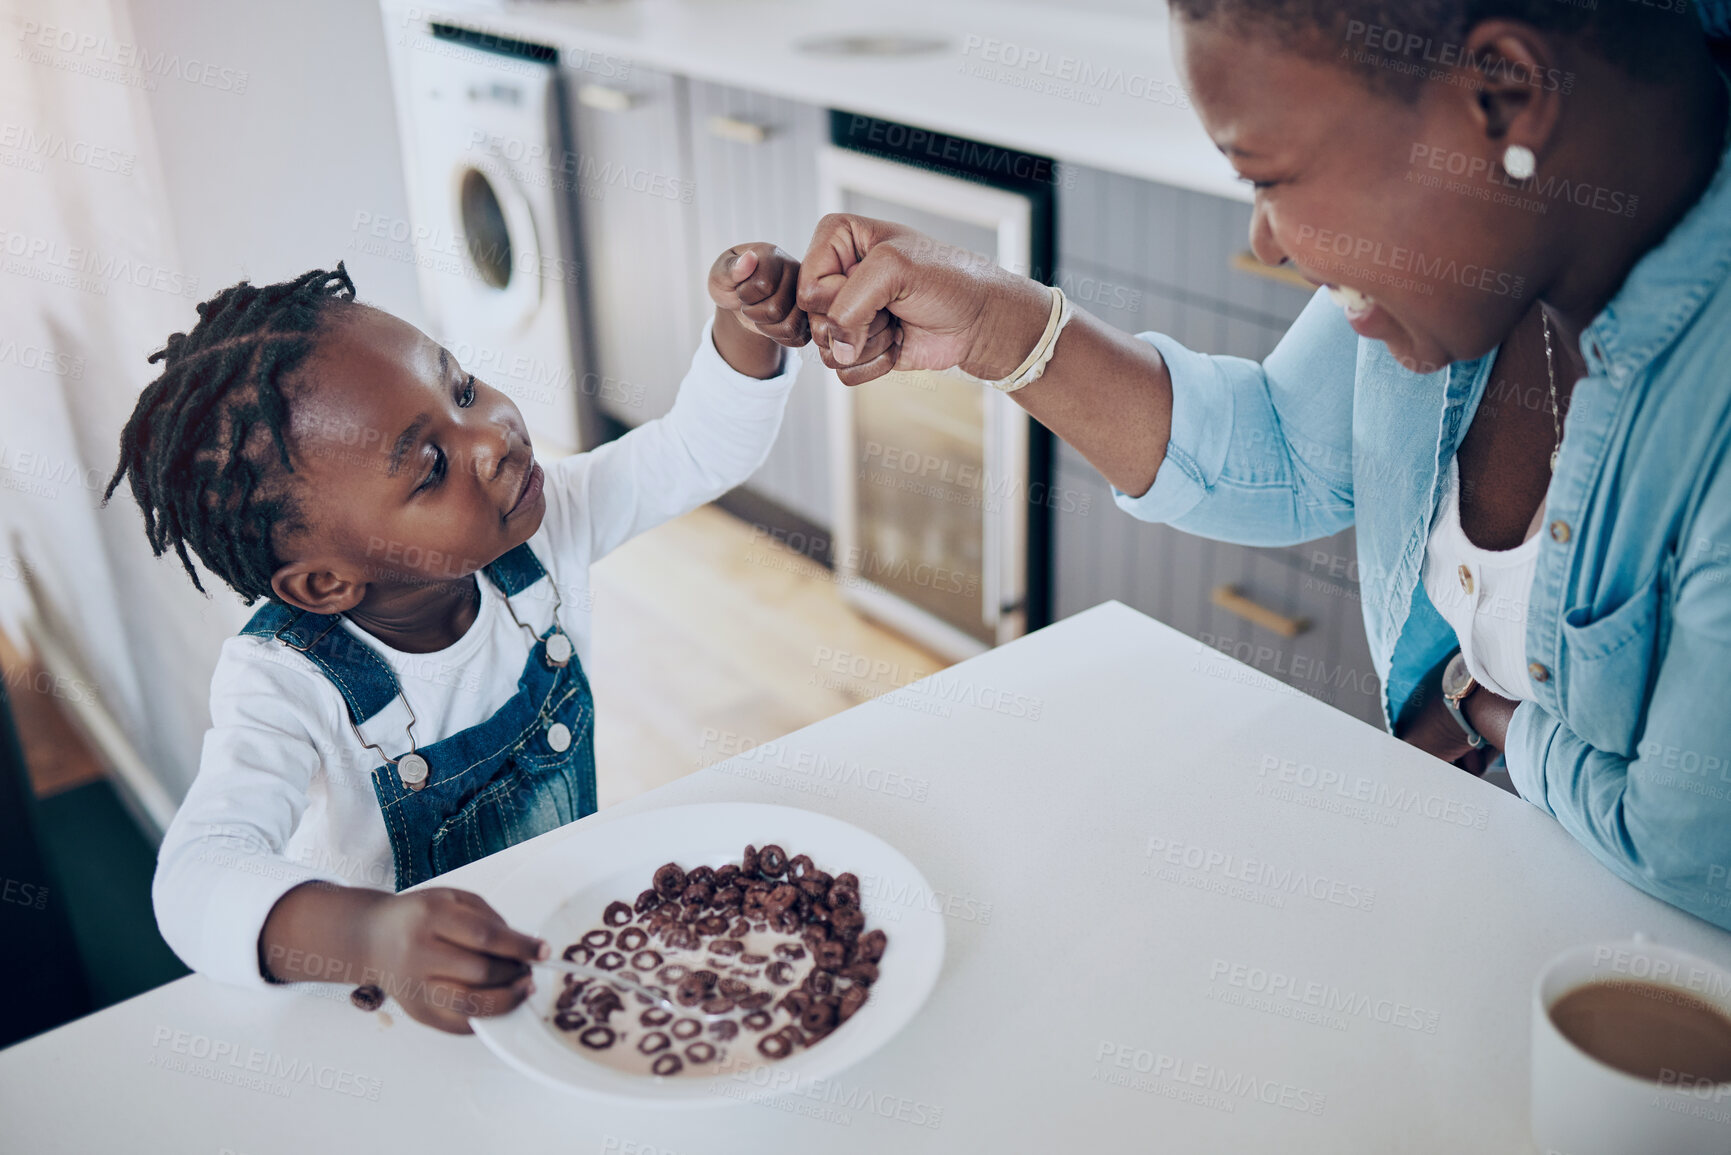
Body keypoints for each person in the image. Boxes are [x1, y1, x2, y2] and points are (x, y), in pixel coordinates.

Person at [796, 1, 1731, 928]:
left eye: (1271, 177)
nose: (1267, 241)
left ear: (1503, 95)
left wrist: (1482, 708)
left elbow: (1691, 851)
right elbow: (1285, 450)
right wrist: (995, 323)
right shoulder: (1488, 240)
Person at [106, 243, 821, 1031]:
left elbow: (694, 450)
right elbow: (194, 879)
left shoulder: (542, 532)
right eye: (430, 466)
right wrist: (373, 938)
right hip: (391, 1024)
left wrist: (747, 324)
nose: (492, 436)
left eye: (464, 388)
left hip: (553, 958)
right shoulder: (282, 683)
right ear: (325, 583)